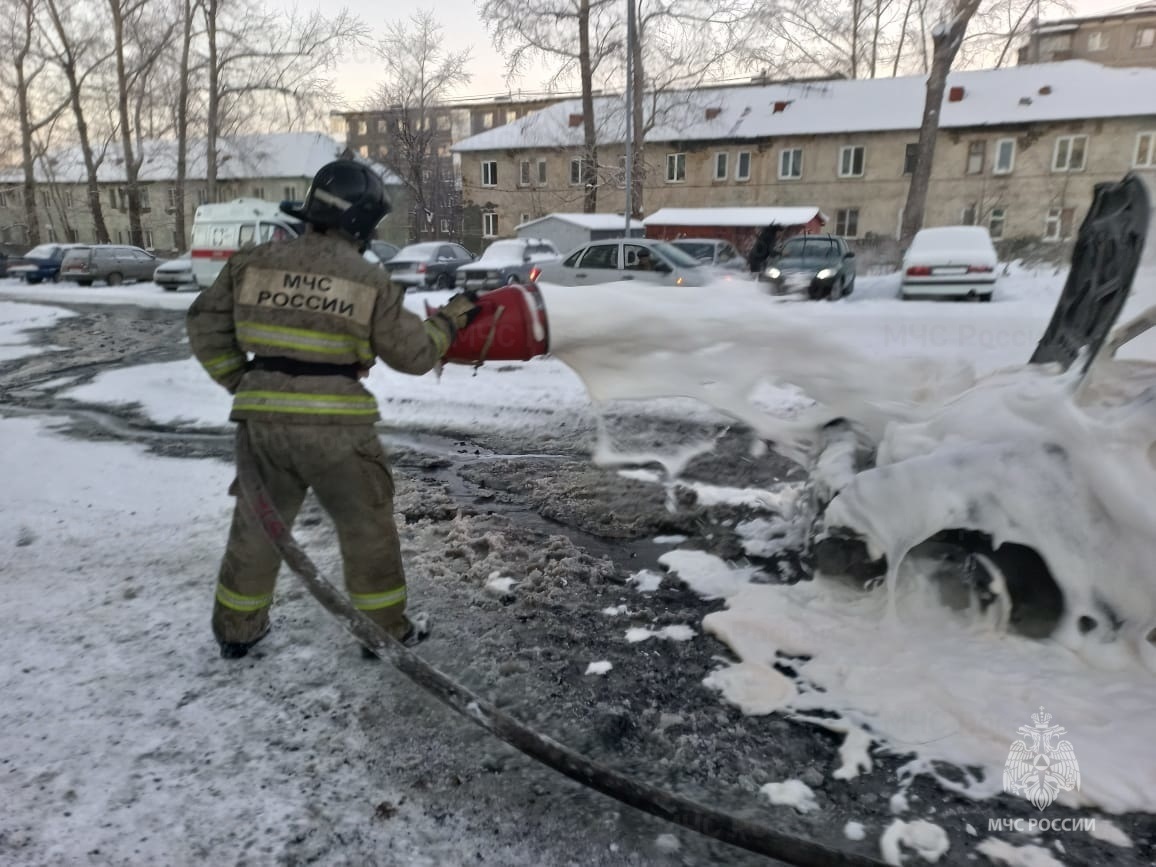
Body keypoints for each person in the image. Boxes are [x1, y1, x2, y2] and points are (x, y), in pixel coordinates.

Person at [186, 159, 477, 659]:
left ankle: (238, 630)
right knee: (366, 529)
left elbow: (204, 324)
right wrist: (451, 321)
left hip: (263, 425)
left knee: (257, 526)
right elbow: (412, 355)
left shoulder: (251, 262)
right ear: (362, 222)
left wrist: (245, 381)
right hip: (338, 430)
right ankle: (383, 632)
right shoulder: (367, 278)